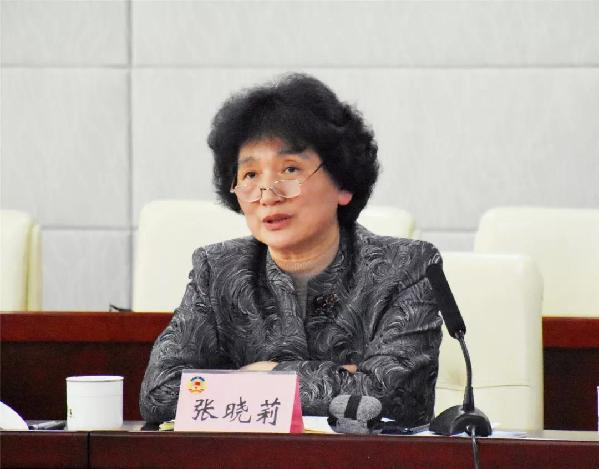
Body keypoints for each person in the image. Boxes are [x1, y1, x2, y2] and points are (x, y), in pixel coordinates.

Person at [140, 73, 443, 426]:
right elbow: (161, 394)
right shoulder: (218, 270)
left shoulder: (407, 268)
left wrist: (264, 375)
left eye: (290, 169)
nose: (268, 193)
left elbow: (390, 396)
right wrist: (343, 377)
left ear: (343, 185)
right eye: (250, 175)